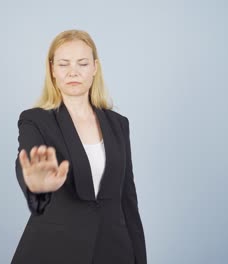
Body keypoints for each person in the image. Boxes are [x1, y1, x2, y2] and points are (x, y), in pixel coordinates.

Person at [11, 29, 147, 264]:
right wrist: (36, 186)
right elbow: (29, 162)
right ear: (52, 70)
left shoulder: (118, 124)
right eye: (64, 64)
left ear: (95, 68)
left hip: (114, 251)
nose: (73, 71)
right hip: (54, 251)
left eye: (82, 63)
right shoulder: (35, 120)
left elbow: (127, 199)